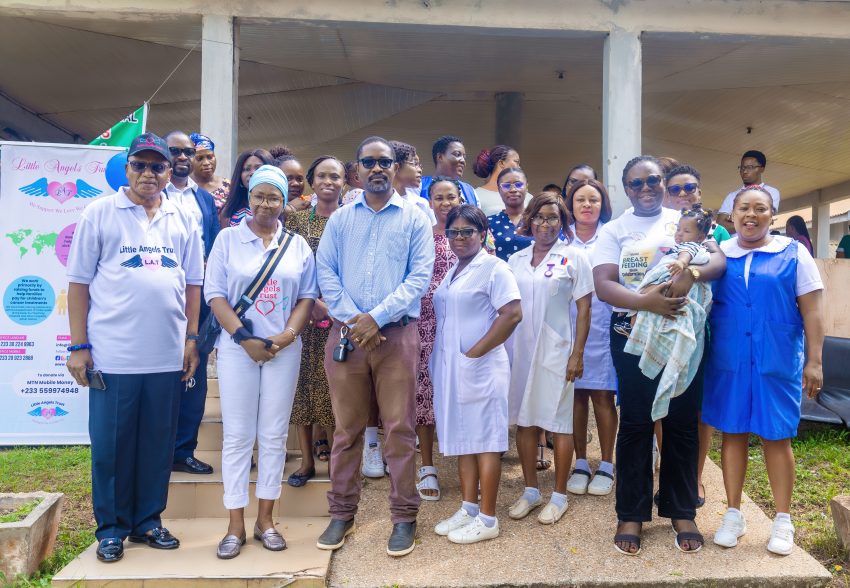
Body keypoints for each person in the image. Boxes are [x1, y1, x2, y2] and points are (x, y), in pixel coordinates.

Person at [65, 132, 204, 563]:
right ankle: (111, 528)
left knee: (157, 444)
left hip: (166, 355)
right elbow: (78, 284)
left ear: (169, 171)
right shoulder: (99, 213)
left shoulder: (183, 216)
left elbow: (193, 284)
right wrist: (78, 345)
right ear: (127, 169)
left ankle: (148, 521)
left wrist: (191, 339)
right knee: (111, 446)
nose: (148, 173)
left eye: (157, 166)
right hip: (113, 355)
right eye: (139, 165)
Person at [593, 155, 727, 556]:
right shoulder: (614, 230)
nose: (646, 188)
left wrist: (692, 274)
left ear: (663, 182)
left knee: (682, 420)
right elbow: (604, 284)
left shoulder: (684, 219)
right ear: (626, 189)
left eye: (652, 180)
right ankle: (631, 513)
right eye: (636, 183)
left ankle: (681, 510)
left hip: (684, 333)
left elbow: (717, 260)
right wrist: (645, 302)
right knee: (636, 422)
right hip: (632, 330)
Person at [315, 136, 434, 557]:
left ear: (395, 168)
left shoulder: (416, 218)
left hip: (395, 335)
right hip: (347, 336)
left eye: (385, 162)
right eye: (369, 162)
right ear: (358, 170)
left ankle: (403, 517)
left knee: (399, 429)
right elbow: (325, 272)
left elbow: (419, 277)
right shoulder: (341, 220)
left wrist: (376, 318)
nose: (377, 168)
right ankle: (342, 513)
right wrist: (355, 320)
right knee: (346, 430)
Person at [703, 187, 824, 556]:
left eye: (760, 208)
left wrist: (815, 361)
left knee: (776, 436)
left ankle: (783, 520)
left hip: (777, 358)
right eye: (744, 208)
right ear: (732, 215)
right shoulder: (719, 253)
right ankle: (733, 514)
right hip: (729, 358)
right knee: (733, 433)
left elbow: (812, 311)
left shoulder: (794, 252)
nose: (751, 215)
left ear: (773, 215)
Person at [205, 165, 318, 559]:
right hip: (238, 350)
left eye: (274, 197)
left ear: (284, 201)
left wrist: (286, 337)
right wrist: (244, 339)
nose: (266, 203)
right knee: (238, 436)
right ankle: (235, 524)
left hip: (283, 351)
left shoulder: (296, 245)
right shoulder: (227, 240)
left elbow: (307, 297)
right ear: (249, 197)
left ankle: (265, 520)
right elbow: (215, 295)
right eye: (259, 195)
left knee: (273, 435)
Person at [431, 204, 522, 544]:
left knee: (485, 442)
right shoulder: (454, 269)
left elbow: (512, 314)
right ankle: (468, 508)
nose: (459, 238)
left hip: (481, 368)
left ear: (482, 234)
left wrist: (475, 352)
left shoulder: (495, 268)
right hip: (453, 369)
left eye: (467, 231)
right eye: (453, 232)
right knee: (464, 439)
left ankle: (487, 518)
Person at [507, 194, 592, 525]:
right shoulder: (515, 259)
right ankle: (530, 490)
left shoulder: (574, 257)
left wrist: (577, 353)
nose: (545, 224)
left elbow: (584, 308)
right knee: (525, 420)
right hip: (519, 351)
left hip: (557, 351)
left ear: (562, 222)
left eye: (553, 217)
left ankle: (558, 496)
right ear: (529, 220)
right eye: (539, 217)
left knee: (559, 422)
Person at [285, 156, 347, 487]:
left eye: (334, 176)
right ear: (312, 181)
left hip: (340, 316)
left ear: (343, 183)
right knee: (302, 388)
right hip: (303, 313)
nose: (328, 182)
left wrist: (333, 306)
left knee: (333, 388)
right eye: (321, 176)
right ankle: (306, 462)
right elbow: (288, 266)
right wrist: (311, 303)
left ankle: (338, 461)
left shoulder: (351, 219)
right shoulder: (295, 221)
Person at [164, 130, 222, 476]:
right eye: (176, 151)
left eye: (188, 151)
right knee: (161, 376)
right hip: (160, 295)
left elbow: (212, 245)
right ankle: (158, 451)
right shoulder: (154, 193)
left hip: (197, 296)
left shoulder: (203, 198)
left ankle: (183, 451)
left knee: (194, 374)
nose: (183, 157)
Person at [623, 206, 714, 420]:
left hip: (679, 284)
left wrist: (681, 263)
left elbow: (687, 253)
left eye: (686, 231)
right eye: (678, 229)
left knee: (655, 307)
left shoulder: (692, 248)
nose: (680, 234)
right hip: (670, 284)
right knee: (651, 304)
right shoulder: (680, 247)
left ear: (700, 236)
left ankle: (635, 324)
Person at [563, 178, 618, 497]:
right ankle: (581, 462)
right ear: (570, 205)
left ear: (602, 205)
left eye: (593, 200)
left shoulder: (611, 237)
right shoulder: (561, 238)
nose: (587, 205)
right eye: (580, 200)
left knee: (602, 395)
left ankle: (607, 464)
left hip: (602, 325)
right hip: (566, 326)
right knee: (575, 396)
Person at [415, 176, 462, 502]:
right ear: (430, 202)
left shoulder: (475, 235)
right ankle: (427, 465)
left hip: (462, 322)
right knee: (424, 392)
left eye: (451, 197)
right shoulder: (422, 236)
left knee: (460, 388)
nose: (445, 203)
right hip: (426, 323)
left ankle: (465, 459)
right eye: (439, 198)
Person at [717, 150, 781, 233]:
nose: (745, 171)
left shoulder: (771, 192)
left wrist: (734, 220)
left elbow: (764, 220)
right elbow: (720, 225)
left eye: (750, 167)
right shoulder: (731, 196)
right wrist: (751, 222)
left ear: (762, 169)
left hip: (761, 240)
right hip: (735, 241)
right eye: (742, 167)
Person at [664, 165, 731, 244]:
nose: (682, 193)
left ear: (699, 193)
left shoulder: (718, 232)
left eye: (689, 188)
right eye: (675, 189)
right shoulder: (658, 227)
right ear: (667, 196)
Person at [488, 167, 534, 261]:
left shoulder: (537, 219)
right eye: (506, 186)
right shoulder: (488, 222)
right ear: (499, 190)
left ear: (526, 187)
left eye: (519, 184)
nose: (513, 190)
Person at [220, 149, 273, 228]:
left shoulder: (282, 208)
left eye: (258, 168)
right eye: (247, 169)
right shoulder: (228, 211)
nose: (252, 173)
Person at [420, 135, 478, 207]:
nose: (463, 161)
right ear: (440, 157)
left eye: (464, 157)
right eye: (457, 154)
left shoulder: (470, 191)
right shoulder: (420, 186)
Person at [473, 145, 532, 216]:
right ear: (501, 163)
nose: (519, 167)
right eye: (516, 162)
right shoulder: (476, 196)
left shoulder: (527, 197)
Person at [390, 140, 436, 224]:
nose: (420, 170)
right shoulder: (374, 202)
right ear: (396, 167)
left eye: (419, 165)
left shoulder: (421, 204)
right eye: (415, 163)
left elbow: (433, 231)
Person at [190, 133, 231, 210]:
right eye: (199, 158)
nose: (206, 163)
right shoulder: (185, 186)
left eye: (210, 157)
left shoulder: (229, 186)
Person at [272, 146, 310, 214]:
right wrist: (289, 209)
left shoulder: (311, 205)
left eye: (299, 179)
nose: (295, 183)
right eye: (288, 179)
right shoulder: (264, 207)